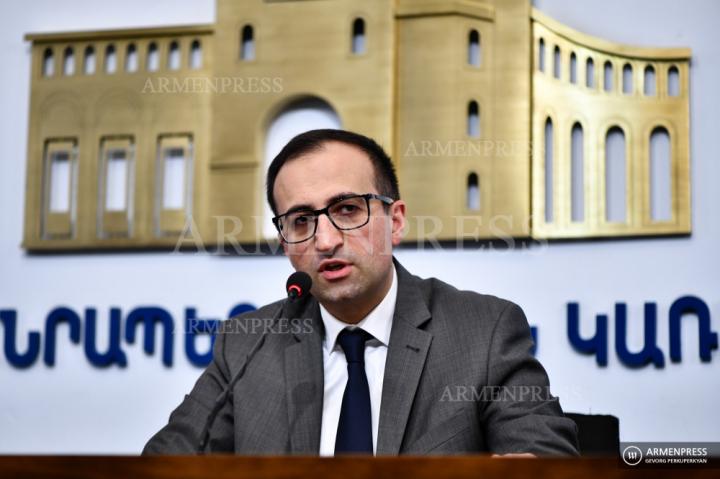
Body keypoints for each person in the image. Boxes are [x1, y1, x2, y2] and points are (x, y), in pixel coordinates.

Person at [143, 129, 579, 456]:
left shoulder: (481, 331)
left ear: (396, 221)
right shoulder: (248, 344)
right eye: (300, 221)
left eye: (347, 209)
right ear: (284, 243)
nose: (325, 239)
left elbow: (543, 456)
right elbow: (164, 464)